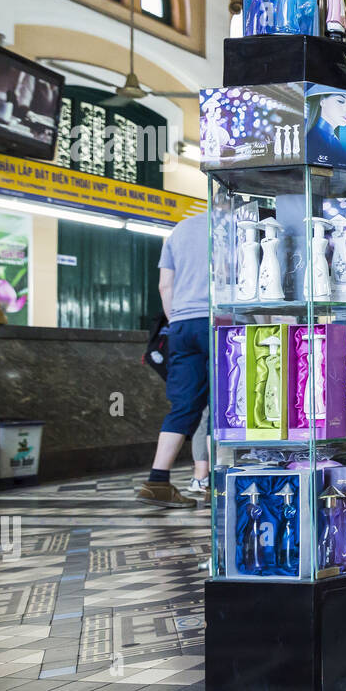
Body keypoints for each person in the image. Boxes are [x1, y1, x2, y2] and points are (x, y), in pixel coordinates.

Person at [135, 211, 210, 509]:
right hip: (220, 321)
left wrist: (176, 318)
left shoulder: (179, 230)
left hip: (180, 325)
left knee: (184, 405)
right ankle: (217, 485)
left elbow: (164, 285)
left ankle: (157, 481)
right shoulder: (233, 225)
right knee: (225, 404)